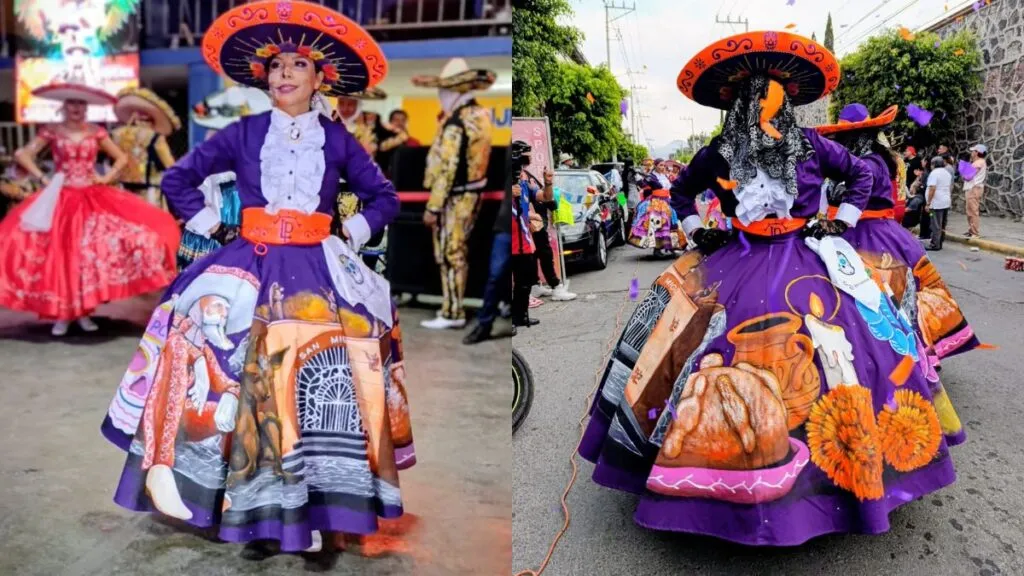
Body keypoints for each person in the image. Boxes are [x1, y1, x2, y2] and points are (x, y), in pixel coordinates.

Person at [579, 31, 959, 545]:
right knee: (690, 344)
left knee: (855, 346)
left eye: (771, 100)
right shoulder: (720, 153)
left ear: (784, 106)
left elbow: (860, 179)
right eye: (754, 100)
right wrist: (698, 231)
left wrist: (842, 222)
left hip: (806, 255)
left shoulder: (809, 145)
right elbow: (683, 190)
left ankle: (844, 478)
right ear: (737, 107)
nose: (763, 108)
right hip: (737, 257)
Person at [99, 2, 415, 560]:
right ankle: (198, 481)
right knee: (201, 345)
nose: (285, 74)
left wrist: (350, 232)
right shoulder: (243, 132)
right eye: (276, 67)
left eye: (298, 66)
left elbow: (383, 196)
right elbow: (179, 178)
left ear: (320, 79)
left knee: (315, 383)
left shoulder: (338, 140)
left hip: (317, 269)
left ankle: (311, 506)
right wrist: (214, 223)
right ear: (264, 78)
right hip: (251, 262)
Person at [816, 105, 971, 441]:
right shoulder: (857, 161)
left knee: (887, 310)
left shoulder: (871, 162)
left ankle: (903, 373)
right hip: (848, 238)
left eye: (847, 135)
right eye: (840, 136)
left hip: (872, 240)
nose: (843, 141)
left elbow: (856, 196)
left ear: (863, 134)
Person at [0, 83, 180, 336]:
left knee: (89, 255)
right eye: (72, 103)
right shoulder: (52, 131)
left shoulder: (96, 132)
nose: (77, 108)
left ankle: (85, 312)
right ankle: (64, 313)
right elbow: (23, 154)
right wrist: (42, 178)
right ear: (64, 106)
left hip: (91, 197)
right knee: (63, 256)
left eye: (81, 104)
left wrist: (106, 179)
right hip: (61, 198)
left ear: (86, 108)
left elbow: (121, 158)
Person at [414, 58, 496, 330]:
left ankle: (452, 311)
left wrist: (433, 207)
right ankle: (453, 309)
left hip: (454, 198)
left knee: (450, 254)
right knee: (457, 252)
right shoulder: (481, 116)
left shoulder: (456, 122)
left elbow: (447, 169)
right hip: (472, 196)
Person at [464, 141, 528, 344]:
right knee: (495, 275)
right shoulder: (504, 159)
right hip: (504, 227)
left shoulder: (527, 178)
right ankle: (484, 324)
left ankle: (517, 317)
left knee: (521, 279)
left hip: (522, 234)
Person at [111, 87, 181, 208]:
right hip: (149, 195)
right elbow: (170, 166)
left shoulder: (116, 134)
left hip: (120, 191)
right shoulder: (155, 137)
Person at [525, 166, 576, 301]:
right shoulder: (516, 179)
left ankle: (535, 285)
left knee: (538, 254)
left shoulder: (525, 178)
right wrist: (529, 214)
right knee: (541, 254)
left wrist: (548, 182)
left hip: (537, 223)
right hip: (527, 225)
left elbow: (545, 197)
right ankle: (554, 286)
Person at [926, 156, 953, 251]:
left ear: (934, 164)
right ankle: (940, 241)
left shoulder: (934, 173)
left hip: (936, 203)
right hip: (945, 201)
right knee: (942, 223)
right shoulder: (946, 173)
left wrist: (928, 203)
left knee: (935, 224)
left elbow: (932, 188)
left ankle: (935, 244)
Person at [963, 143, 988, 238]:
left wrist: (964, 173)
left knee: (973, 211)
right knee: (970, 210)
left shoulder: (978, 162)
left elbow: (968, 176)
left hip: (973, 188)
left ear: (977, 152)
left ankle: (975, 232)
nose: (971, 152)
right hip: (973, 188)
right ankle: (971, 230)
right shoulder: (979, 162)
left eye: (973, 151)